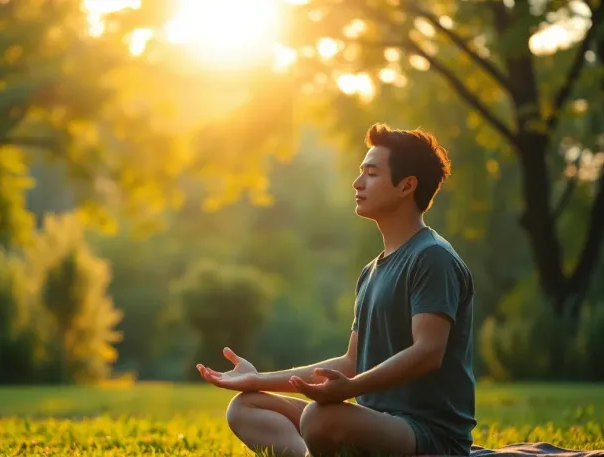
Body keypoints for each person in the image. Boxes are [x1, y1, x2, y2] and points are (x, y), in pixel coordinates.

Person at [196, 123, 477, 457]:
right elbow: (352, 361)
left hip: (428, 438)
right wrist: (256, 380)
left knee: (319, 417)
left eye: (371, 174)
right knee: (244, 407)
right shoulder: (372, 271)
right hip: (372, 425)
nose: (357, 183)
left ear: (407, 185)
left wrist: (350, 390)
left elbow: (428, 352)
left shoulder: (432, 258)